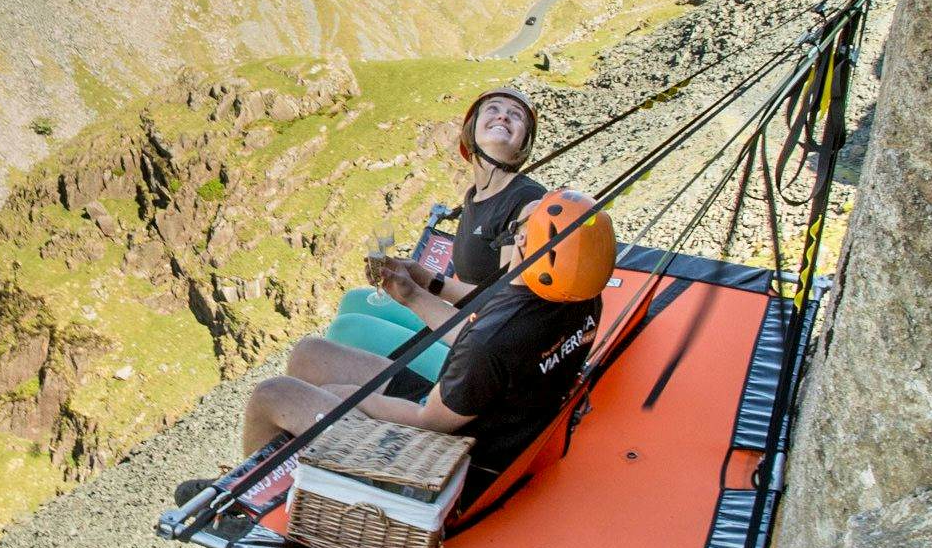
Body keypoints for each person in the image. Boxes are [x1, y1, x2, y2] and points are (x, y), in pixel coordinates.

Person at [182, 189, 613, 514]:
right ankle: (305, 473)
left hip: (448, 457)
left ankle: (245, 505)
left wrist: (353, 396)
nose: (514, 236)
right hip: (481, 414)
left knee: (272, 394)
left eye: (521, 233)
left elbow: (432, 422)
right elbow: (479, 335)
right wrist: (414, 292)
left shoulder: (494, 341)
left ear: (528, 251)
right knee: (309, 355)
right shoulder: (575, 296)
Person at [323, 86, 552, 385]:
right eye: (493, 109)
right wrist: (421, 275)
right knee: (355, 301)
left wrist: (416, 294)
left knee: (347, 331)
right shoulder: (476, 197)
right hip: (470, 325)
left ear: (524, 141)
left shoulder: (526, 200)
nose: (503, 117)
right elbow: (481, 288)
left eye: (515, 115)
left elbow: (504, 307)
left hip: (485, 351)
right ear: (471, 130)